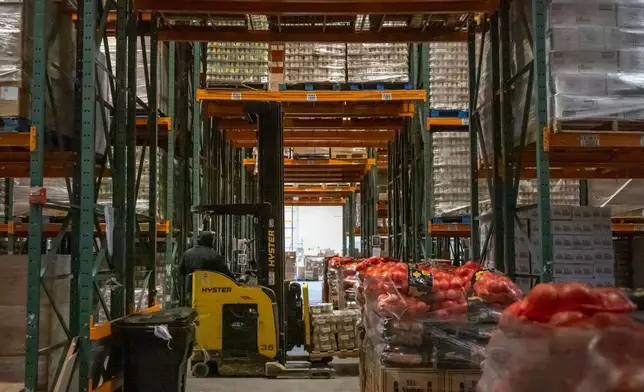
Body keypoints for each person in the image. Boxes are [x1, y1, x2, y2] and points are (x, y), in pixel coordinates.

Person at [179, 231, 234, 303]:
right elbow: (225, 273)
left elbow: (181, 270)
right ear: (210, 241)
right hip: (209, 292)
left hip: (191, 291)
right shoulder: (214, 255)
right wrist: (236, 281)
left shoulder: (187, 253)